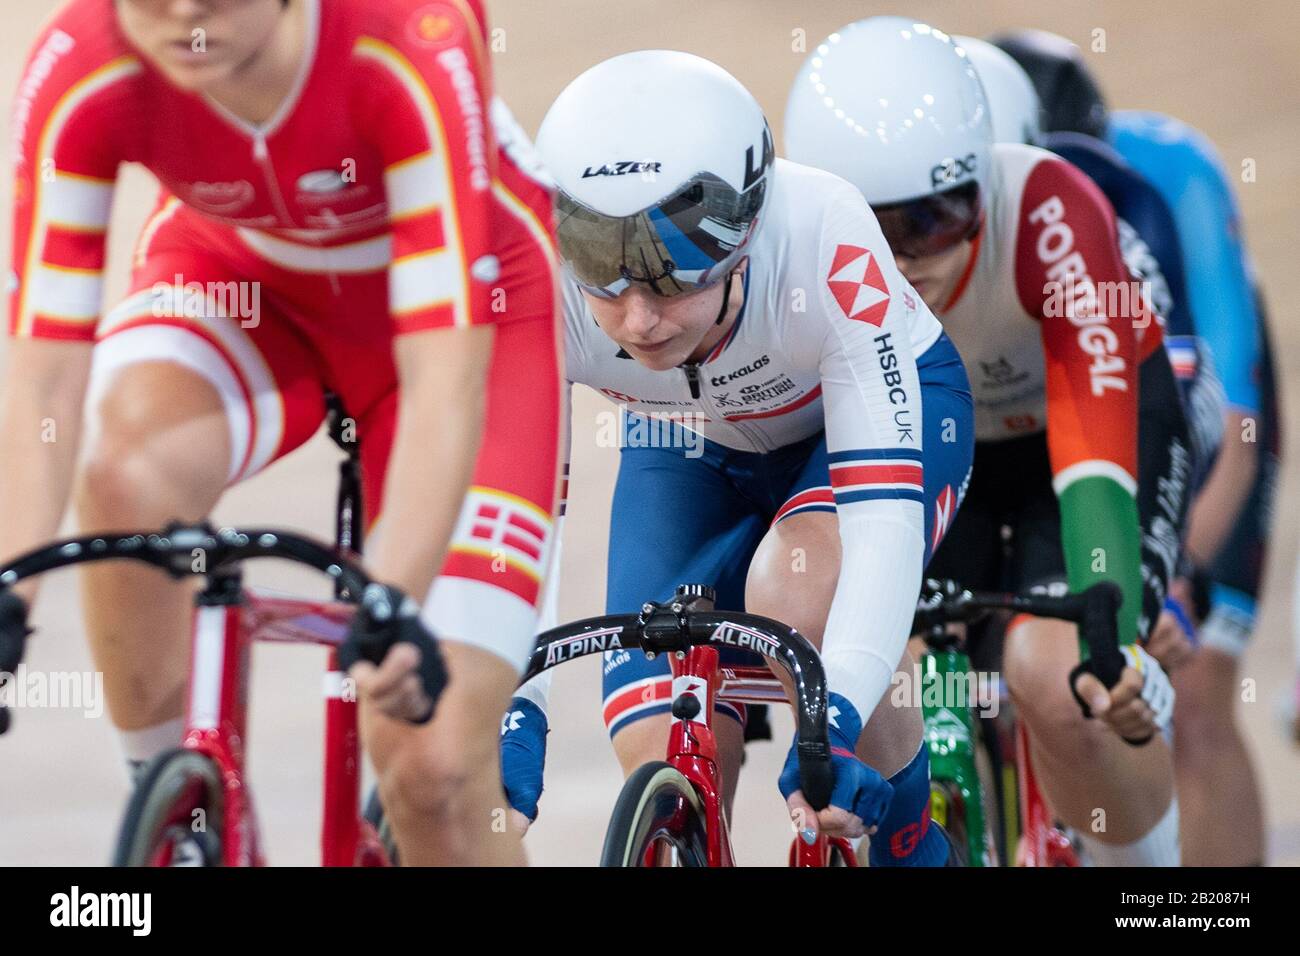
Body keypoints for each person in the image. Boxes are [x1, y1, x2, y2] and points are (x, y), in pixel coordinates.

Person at [1, 0, 560, 866]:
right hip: (239, 280)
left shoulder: (409, 41)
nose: (185, 13)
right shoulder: (83, 64)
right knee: (121, 476)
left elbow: (443, 382)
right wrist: (12, 592)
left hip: (464, 318)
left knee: (433, 764)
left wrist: (392, 600)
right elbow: (44, 375)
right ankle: (178, 827)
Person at [500, 49, 974, 865]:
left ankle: (911, 842)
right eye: (605, 285)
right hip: (683, 438)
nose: (640, 321)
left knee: (800, 589)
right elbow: (518, 518)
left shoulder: (821, 231)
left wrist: (840, 721)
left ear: (745, 236)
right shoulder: (535, 276)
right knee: (659, 745)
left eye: (673, 279)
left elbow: (882, 526)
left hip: (866, 422)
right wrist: (514, 707)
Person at [785, 17, 1187, 865]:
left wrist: (1104, 618)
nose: (910, 254)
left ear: (986, 179)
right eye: (877, 227)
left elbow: (1094, 464)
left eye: (942, 214)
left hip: (1077, 438)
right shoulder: (792, 249)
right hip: (938, 444)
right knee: (900, 674)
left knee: (1060, 674)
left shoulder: (1050, 210)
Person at [993, 28, 1279, 866]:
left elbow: (1228, 418)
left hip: (1200, 404)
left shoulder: (1168, 176)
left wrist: (1176, 580)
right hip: (1058, 400)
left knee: (1191, 692)